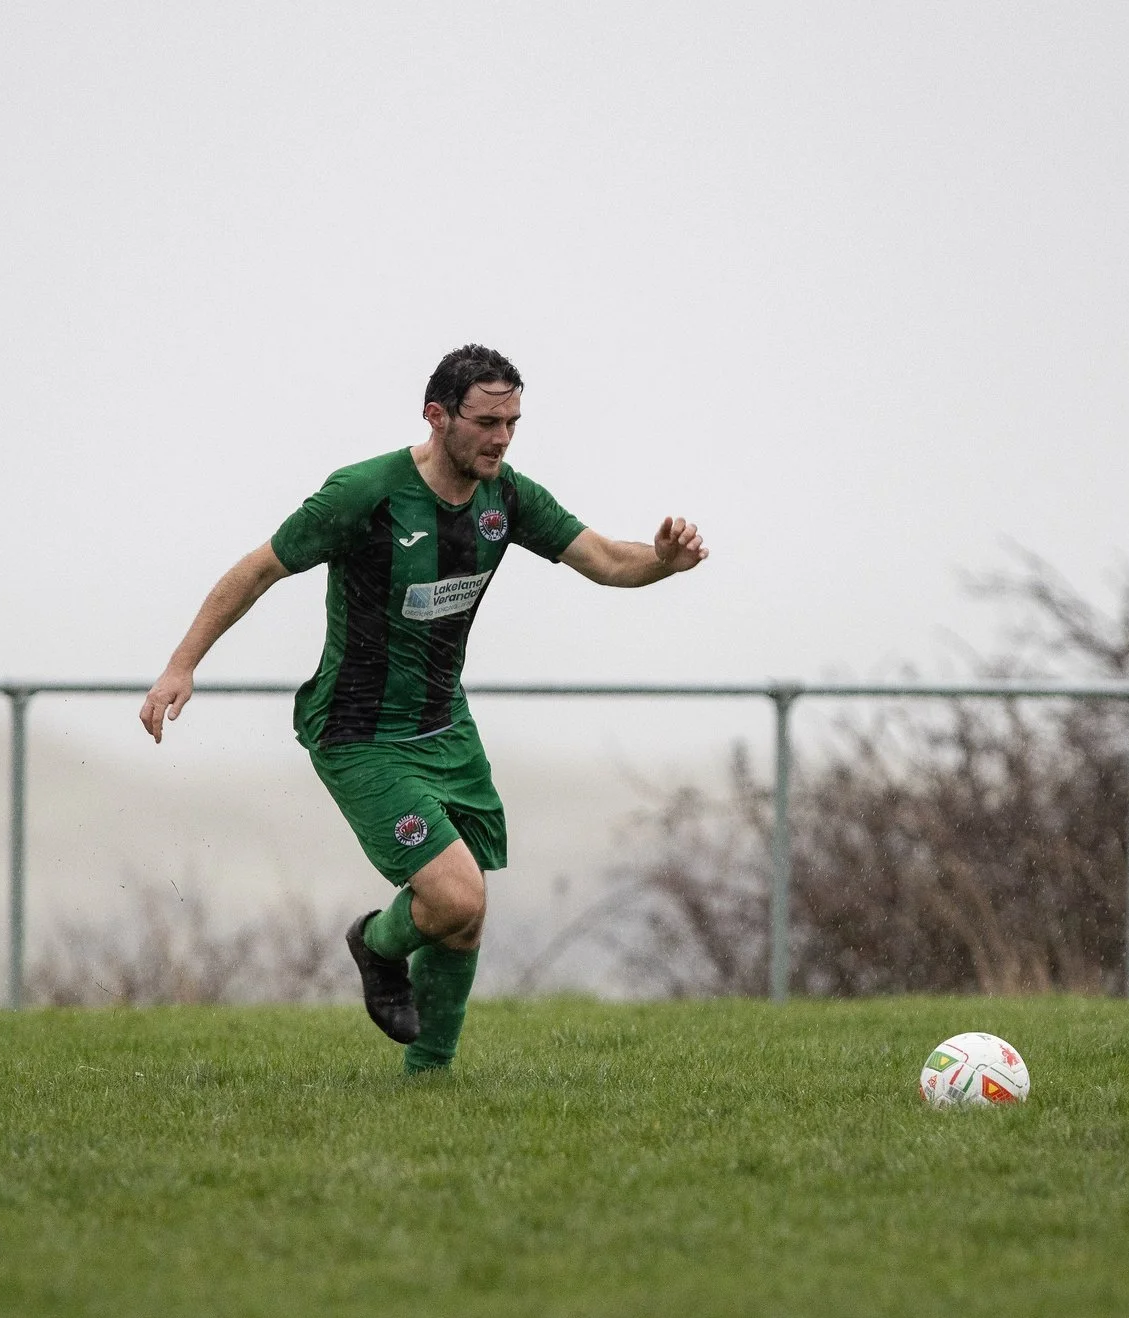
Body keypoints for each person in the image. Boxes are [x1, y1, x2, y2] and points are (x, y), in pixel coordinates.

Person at [140, 345, 708, 1072]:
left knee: (462, 918)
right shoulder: (364, 493)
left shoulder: (506, 497)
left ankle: (430, 1084)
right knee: (453, 894)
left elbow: (603, 559)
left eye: (513, 422)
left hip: (446, 727)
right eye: (486, 422)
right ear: (438, 417)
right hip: (359, 734)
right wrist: (182, 666)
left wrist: (663, 559)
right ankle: (374, 945)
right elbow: (257, 570)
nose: (501, 438)